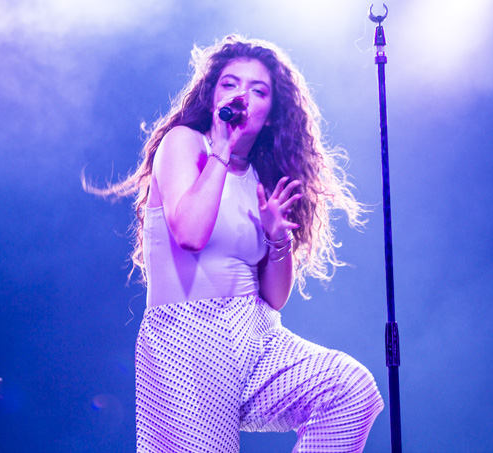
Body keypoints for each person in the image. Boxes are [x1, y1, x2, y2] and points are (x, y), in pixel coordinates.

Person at [87, 34, 384, 453]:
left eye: (258, 90)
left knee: (350, 389)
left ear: (271, 114)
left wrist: (278, 239)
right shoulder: (184, 144)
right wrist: (222, 150)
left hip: (258, 336)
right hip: (188, 338)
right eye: (230, 84)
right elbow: (189, 234)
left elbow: (274, 299)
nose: (242, 96)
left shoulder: (261, 179)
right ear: (213, 97)